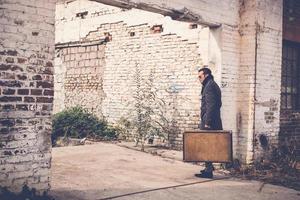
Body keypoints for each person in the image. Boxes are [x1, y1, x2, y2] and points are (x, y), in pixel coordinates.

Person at [195, 66, 222, 178]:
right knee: (208, 145)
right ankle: (208, 168)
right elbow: (218, 104)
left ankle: (208, 170)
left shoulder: (209, 86)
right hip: (211, 120)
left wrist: (207, 121)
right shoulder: (211, 84)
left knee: (207, 145)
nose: (199, 79)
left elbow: (211, 105)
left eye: (200, 76)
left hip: (209, 122)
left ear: (206, 75)